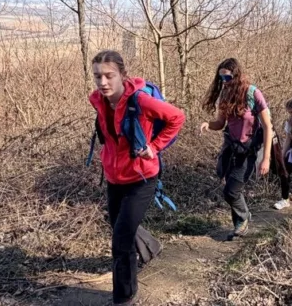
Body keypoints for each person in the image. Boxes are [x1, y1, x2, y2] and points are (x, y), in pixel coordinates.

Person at [89, 50, 186, 306]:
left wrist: (154, 146)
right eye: (97, 76)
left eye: (109, 76)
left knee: (120, 240)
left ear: (122, 75)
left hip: (142, 178)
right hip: (114, 177)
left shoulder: (140, 101)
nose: (103, 82)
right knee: (119, 225)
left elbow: (177, 117)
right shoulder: (98, 101)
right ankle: (151, 247)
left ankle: (124, 297)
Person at [200, 58, 273, 239]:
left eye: (228, 77)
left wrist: (266, 158)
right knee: (230, 186)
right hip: (230, 148)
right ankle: (238, 226)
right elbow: (220, 123)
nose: (225, 82)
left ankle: (244, 217)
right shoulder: (224, 96)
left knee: (231, 191)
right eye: (221, 78)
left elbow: (267, 126)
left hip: (248, 151)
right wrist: (208, 125)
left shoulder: (253, 93)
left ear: (237, 75)